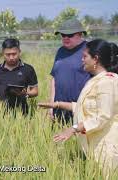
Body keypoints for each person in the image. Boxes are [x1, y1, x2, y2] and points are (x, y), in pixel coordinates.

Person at [39, 39, 118, 174]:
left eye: (85, 56)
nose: (82, 60)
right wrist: (57, 104)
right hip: (95, 144)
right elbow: (85, 108)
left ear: (96, 59)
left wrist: (73, 129)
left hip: (106, 146)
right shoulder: (96, 80)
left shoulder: (107, 82)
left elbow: (102, 117)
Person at [50, 18, 91, 123]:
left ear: (80, 34)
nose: (66, 38)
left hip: (79, 109)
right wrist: (51, 105)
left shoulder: (89, 50)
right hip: (59, 109)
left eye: (70, 35)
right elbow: (54, 78)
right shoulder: (60, 51)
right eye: (63, 35)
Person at [0, 38, 38, 115]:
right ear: (2, 53)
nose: (11, 57)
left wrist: (26, 93)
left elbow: (35, 91)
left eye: (14, 54)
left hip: (21, 113)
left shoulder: (28, 69)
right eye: (8, 54)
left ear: (19, 52)